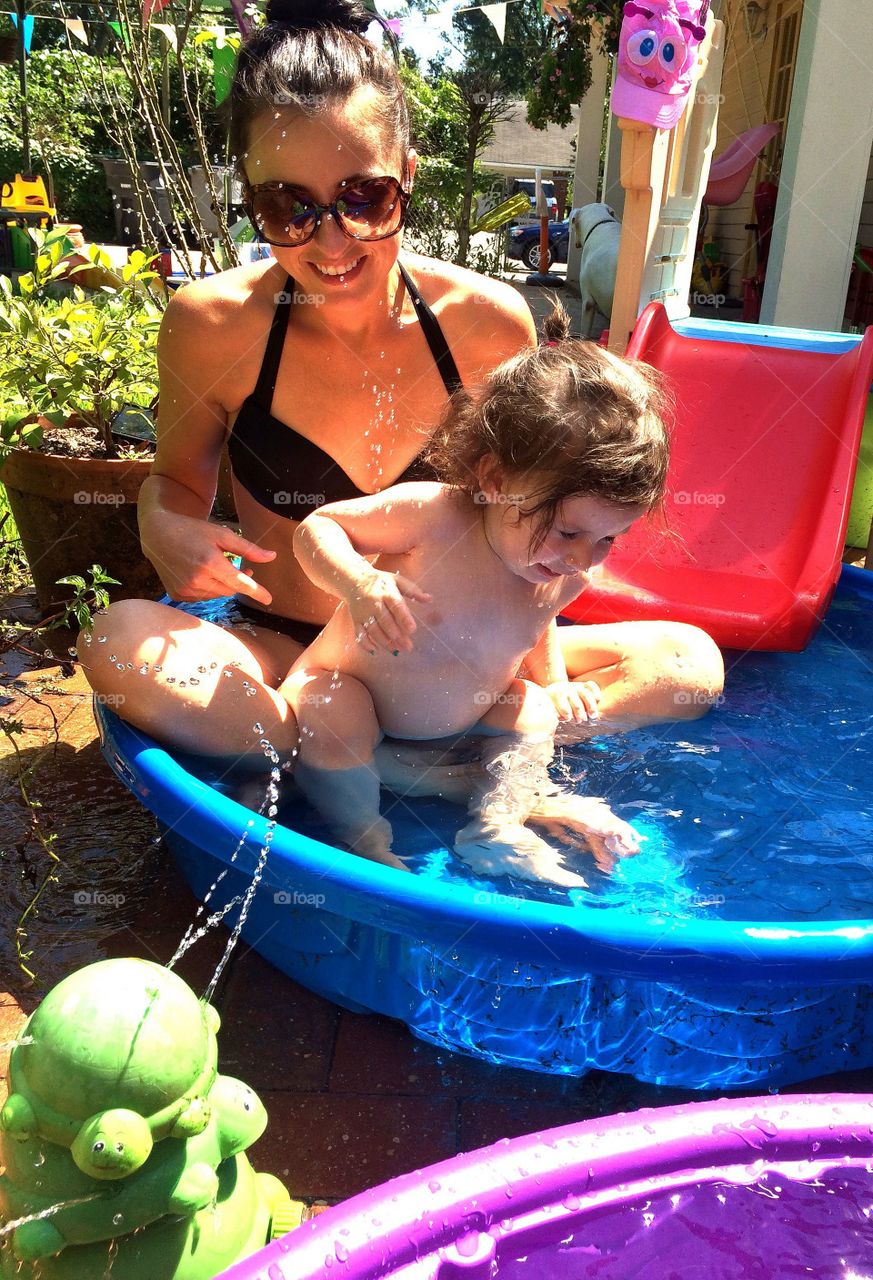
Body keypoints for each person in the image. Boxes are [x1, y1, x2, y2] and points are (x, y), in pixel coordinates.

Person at [79, 0, 723, 781]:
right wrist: (162, 530)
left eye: (363, 198)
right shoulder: (211, 324)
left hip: (462, 662)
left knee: (686, 663)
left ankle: (376, 759)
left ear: (406, 178)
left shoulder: (485, 323)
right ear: (250, 197)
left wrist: (536, 678)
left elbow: (542, 510)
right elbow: (175, 483)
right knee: (114, 640)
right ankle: (400, 761)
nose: (331, 240)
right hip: (289, 655)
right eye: (289, 208)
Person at [280, 306, 670, 884]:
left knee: (531, 708)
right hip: (348, 728)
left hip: (448, 738)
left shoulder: (561, 570)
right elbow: (318, 529)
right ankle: (363, 837)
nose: (583, 558)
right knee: (332, 700)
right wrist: (357, 583)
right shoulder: (433, 516)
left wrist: (556, 685)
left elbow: (535, 625)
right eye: (568, 531)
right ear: (493, 480)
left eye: (609, 538)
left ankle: (495, 827)